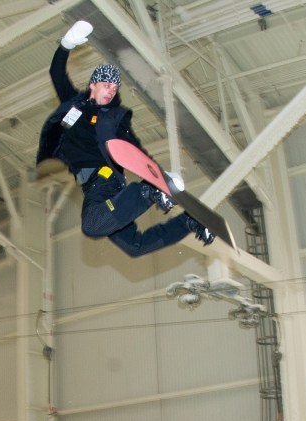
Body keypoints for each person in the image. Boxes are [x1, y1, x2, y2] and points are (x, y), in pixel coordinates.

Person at [36, 20, 214, 257]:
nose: (111, 91)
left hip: (105, 179)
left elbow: (136, 154)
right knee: (134, 246)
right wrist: (67, 44)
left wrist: (160, 179)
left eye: (114, 88)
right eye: (106, 85)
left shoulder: (113, 121)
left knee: (92, 225)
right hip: (104, 189)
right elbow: (56, 73)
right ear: (93, 85)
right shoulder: (74, 105)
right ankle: (189, 223)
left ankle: (148, 193)